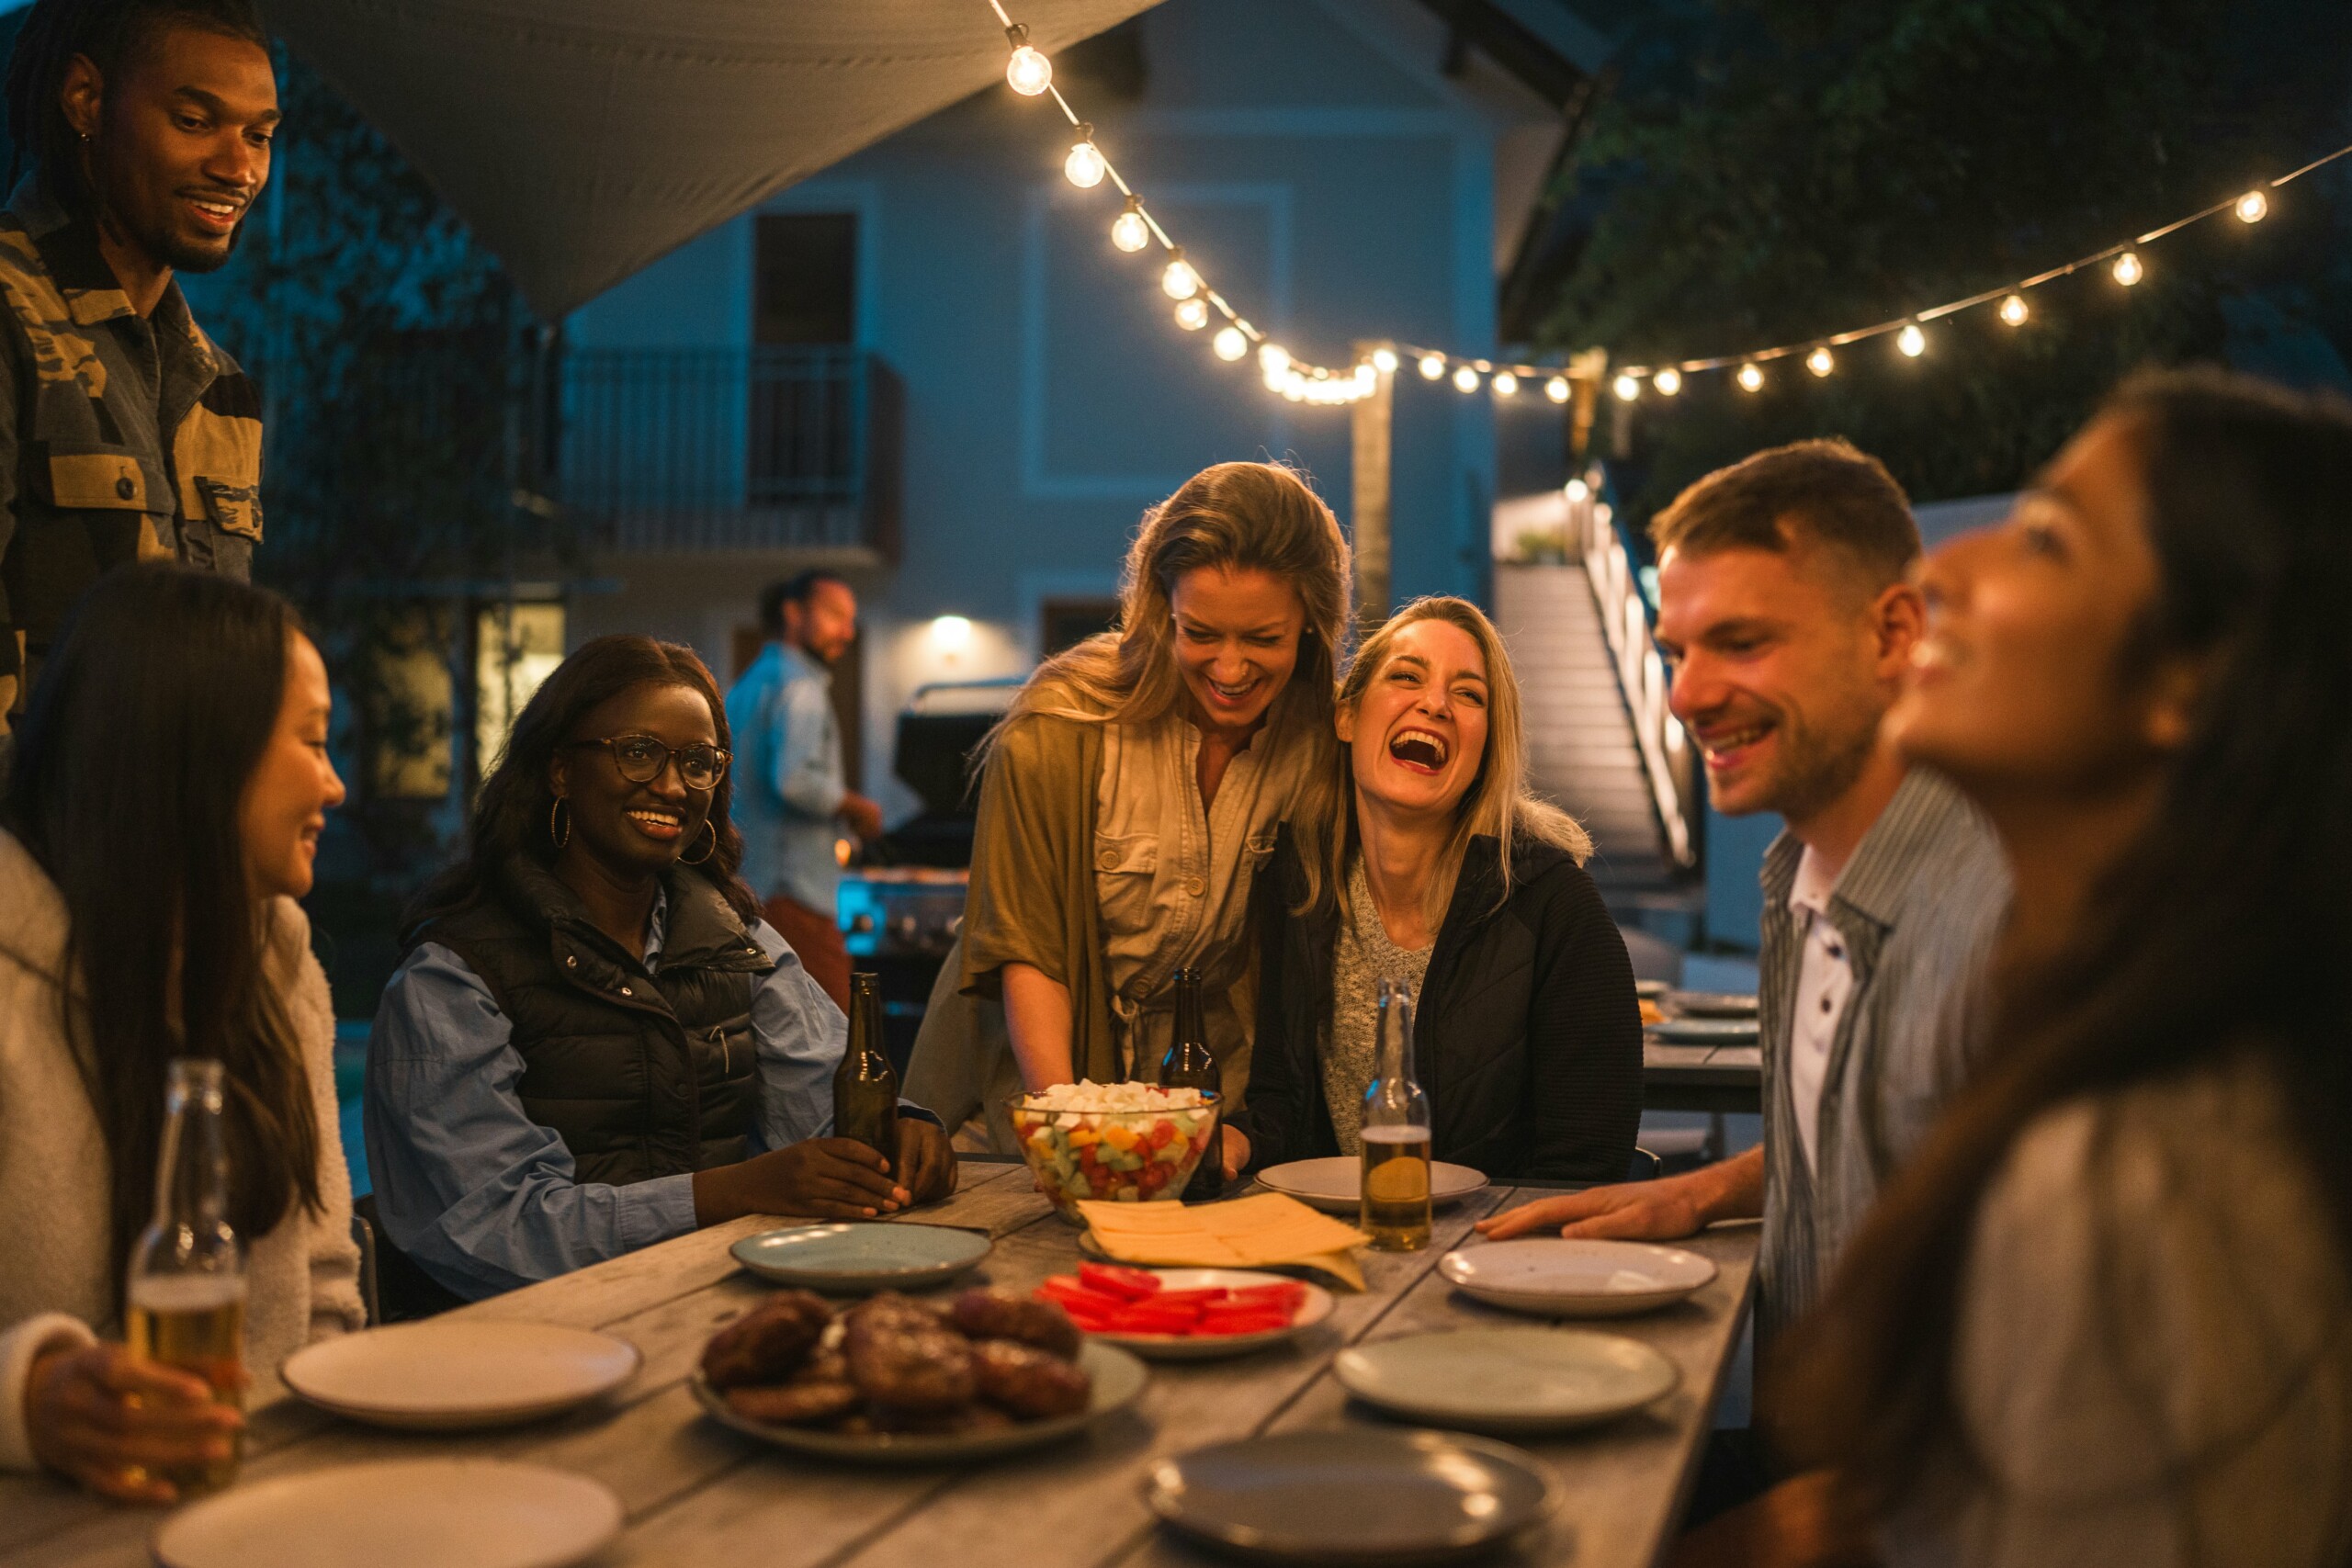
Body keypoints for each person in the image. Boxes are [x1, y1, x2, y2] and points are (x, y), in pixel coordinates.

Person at [1738, 372, 2352, 1568]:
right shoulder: (2163, 1057)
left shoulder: (2135, 1174)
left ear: (2196, 675)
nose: (1943, 574)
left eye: (2048, 537)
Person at [1481, 439, 2009, 1346]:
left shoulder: (2005, 915)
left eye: (1742, 642)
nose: (1685, 695)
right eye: (1676, 649)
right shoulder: (1794, 881)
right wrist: (1699, 1191)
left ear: (1894, 633)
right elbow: (1860, 1142)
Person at [366, 635, 956, 1305]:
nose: (674, 787)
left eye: (698, 762)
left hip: (714, 1310)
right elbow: (500, 1230)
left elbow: (824, 1108)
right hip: (524, 1351)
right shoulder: (453, 978)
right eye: (638, 753)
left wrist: (904, 1129)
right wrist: (739, 1189)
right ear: (560, 768)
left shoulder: (734, 939)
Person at [0, 566, 360, 1503]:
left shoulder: (280, 974)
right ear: (200, 752)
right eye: (315, 744)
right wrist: (28, 1395)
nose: (337, 785)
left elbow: (325, 1288)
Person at [905, 461, 1351, 1158]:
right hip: (1029, 1107)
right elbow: (1030, 954)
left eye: (1263, 639)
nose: (1230, 670)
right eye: (1199, 632)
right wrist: (1078, 1137)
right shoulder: (1059, 726)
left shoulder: (1323, 750)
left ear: (1313, 627)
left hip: (1200, 1118)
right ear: (1158, 606)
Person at [1232, 596, 1643, 1182]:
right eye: (1406, 677)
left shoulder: (1555, 905)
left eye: (1469, 694)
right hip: (1336, 1241)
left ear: (1486, 749)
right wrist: (1234, 1141)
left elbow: (1587, 1161)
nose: (1435, 704)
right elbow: (1282, 1103)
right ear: (1346, 718)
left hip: (1495, 1255)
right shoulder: (1299, 883)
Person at [0, 0, 276, 738]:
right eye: (194, 121)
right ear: (86, 99)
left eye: (259, 135)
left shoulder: (222, 389)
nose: (237, 166)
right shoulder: (11, 317)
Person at [725, 570, 882, 1011]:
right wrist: (857, 806)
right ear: (793, 614)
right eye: (835, 616)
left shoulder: (749, 683)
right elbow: (793, 779)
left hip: (750, 885)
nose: (847, 633)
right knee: (834, 1034)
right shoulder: (801, 687)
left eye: (850, 621)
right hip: (793, 892)